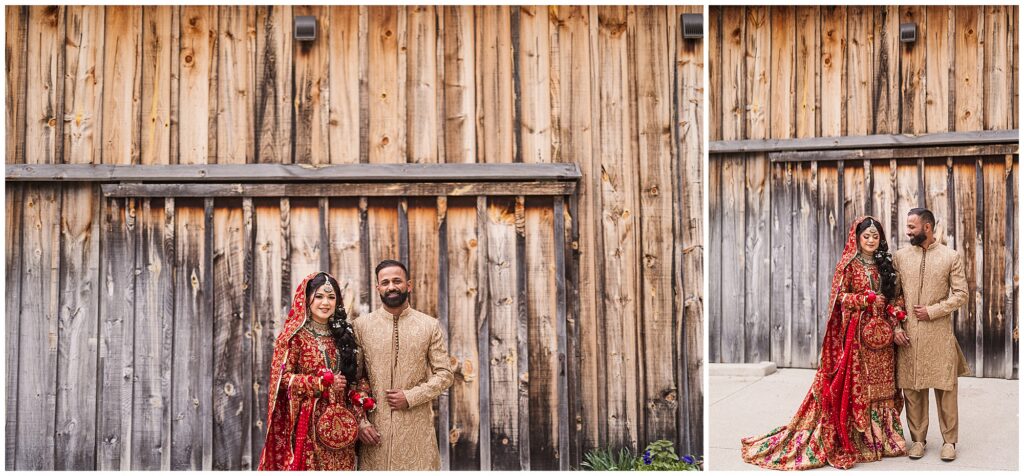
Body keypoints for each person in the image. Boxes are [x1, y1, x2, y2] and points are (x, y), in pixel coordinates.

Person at [741, 216, 908, 470]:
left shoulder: (886, 263)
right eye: (867, 237)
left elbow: (896, 296)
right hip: (857, 337)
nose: (872, 241)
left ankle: (883, 440)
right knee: (859, 386)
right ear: (857, 238)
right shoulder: (848, 265)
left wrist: (896, 312)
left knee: (883, 387)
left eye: (876, 237)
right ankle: (860, 440)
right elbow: (839, 299)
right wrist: (865, 299)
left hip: (883, 338)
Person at [258, 272, 371, 470]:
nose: (325, 302)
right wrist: (320, 383)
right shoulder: (294, 337)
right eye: (319, 296)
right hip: (307, 425)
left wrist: (360, 411)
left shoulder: (345, 335)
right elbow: (281, 380)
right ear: (306, 299)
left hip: (342, 426)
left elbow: (359, 377)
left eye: (331, 297)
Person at [354, 259, 454, 470]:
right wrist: (360, 422)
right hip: (374, 435)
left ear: (409, 285)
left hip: (416, 433)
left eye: (397, 281)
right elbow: (354, 379)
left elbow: (445, 374)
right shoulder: (361, 326)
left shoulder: (428, 326)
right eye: (386, 282)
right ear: (378, 287)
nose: (391, 286)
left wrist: (410, 397)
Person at [893, 208, 969, 462]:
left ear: (927, 227)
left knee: (946, 388)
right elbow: (893, 297)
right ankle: (917, 440)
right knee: (913, 389)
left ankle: (949, 441)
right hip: (909, 335)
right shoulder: (901, 257)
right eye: (907, 226)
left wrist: (933, 310)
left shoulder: (950, 256)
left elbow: (961, 294)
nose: (907, 231)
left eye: (912, 227)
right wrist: (896, 327)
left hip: (939, 334)